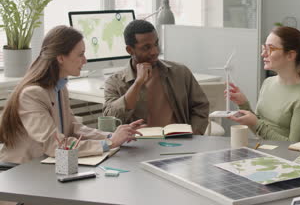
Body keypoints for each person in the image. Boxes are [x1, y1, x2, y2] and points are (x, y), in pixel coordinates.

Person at [0, 26, 145, 164]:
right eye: (80, 54)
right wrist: (110, 143)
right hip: (24, 171)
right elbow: (55, 145)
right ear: (60, 58)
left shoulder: (59, 87)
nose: (85, 60)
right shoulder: (32, 95)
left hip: (49, 163)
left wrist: (110, 136)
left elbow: (73, 127)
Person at [103, 20, 209, 134]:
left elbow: (201, 106)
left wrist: (194, 134)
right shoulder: (114, 82)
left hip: (178, 142)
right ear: (130, 50)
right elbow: (110, 120)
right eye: (146, 47)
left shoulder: (180, 72)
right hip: (138, 146)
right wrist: (137, 84)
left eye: (156, 44)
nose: (155, 51)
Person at [227, 26, 300, 142]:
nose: (263, 54)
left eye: (270, 49)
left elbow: (294, 147)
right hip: (261, 150)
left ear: (291, 55)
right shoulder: (268, 83)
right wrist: (243, 104)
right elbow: (260, 126)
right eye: (264, 48)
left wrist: (255, 123)